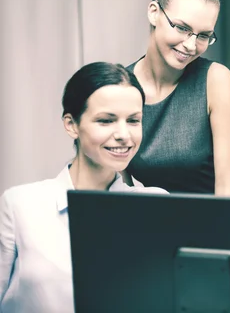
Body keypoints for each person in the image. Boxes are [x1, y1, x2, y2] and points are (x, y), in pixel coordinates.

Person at [0, 62, 168, 313]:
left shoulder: (155, 205)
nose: (124, 134)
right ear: (71, 124)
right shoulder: (20, 205)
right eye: (106, 121)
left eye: (133, 120)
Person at [126, 0, 230, 196]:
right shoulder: (122, 87)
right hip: (151, 226)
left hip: (213, 226)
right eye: (182, 28)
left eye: (204, 35)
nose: (190, 45)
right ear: (154, 12)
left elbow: (228, 189)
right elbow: (118, 188)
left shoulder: (215, 80)